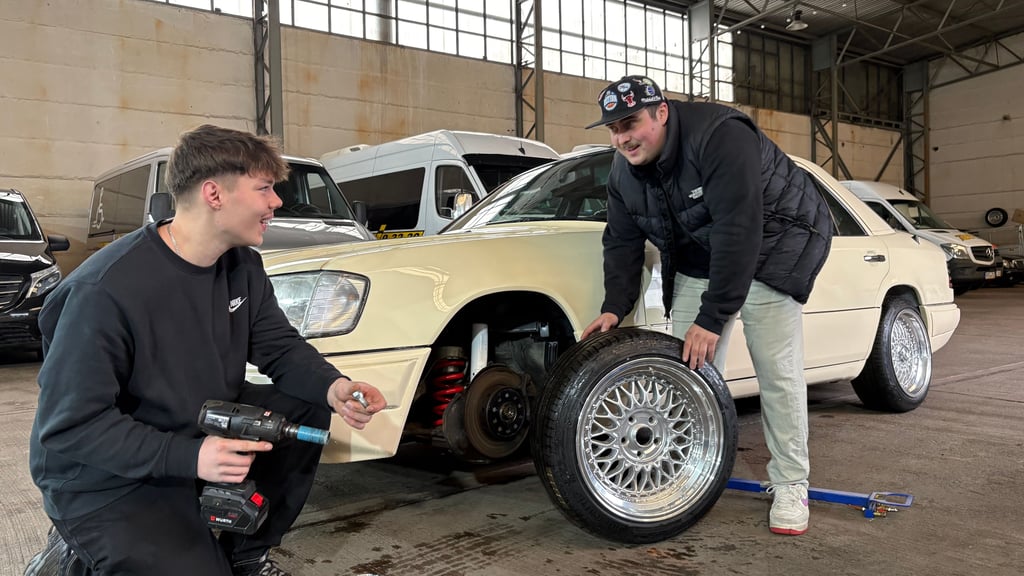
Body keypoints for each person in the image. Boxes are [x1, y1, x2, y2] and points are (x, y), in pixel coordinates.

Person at [29, 124, 387, 575]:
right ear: (214, 194)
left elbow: (278, 346)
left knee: (305, 405)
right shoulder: (106, 291)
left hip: (194, 428)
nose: (276, 202)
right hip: (104, 476)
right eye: (264, 189)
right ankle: (75, 553)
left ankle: (247, 554)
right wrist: (191, 458)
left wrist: (335, 386)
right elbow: (71, 428)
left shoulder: (241, 266)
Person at [580, 76, 833, 536]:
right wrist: (615, 306)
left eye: (630, 123)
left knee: (776, 371)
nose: (622, 139)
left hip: (777, 242)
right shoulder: (623, 172)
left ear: (661, 112)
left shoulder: (720, 136)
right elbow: (620, 241)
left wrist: (712, 317)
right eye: (613, 129)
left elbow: (740, 227)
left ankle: (792, 483)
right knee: (687, 370)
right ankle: (687, 474)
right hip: (704, 250)